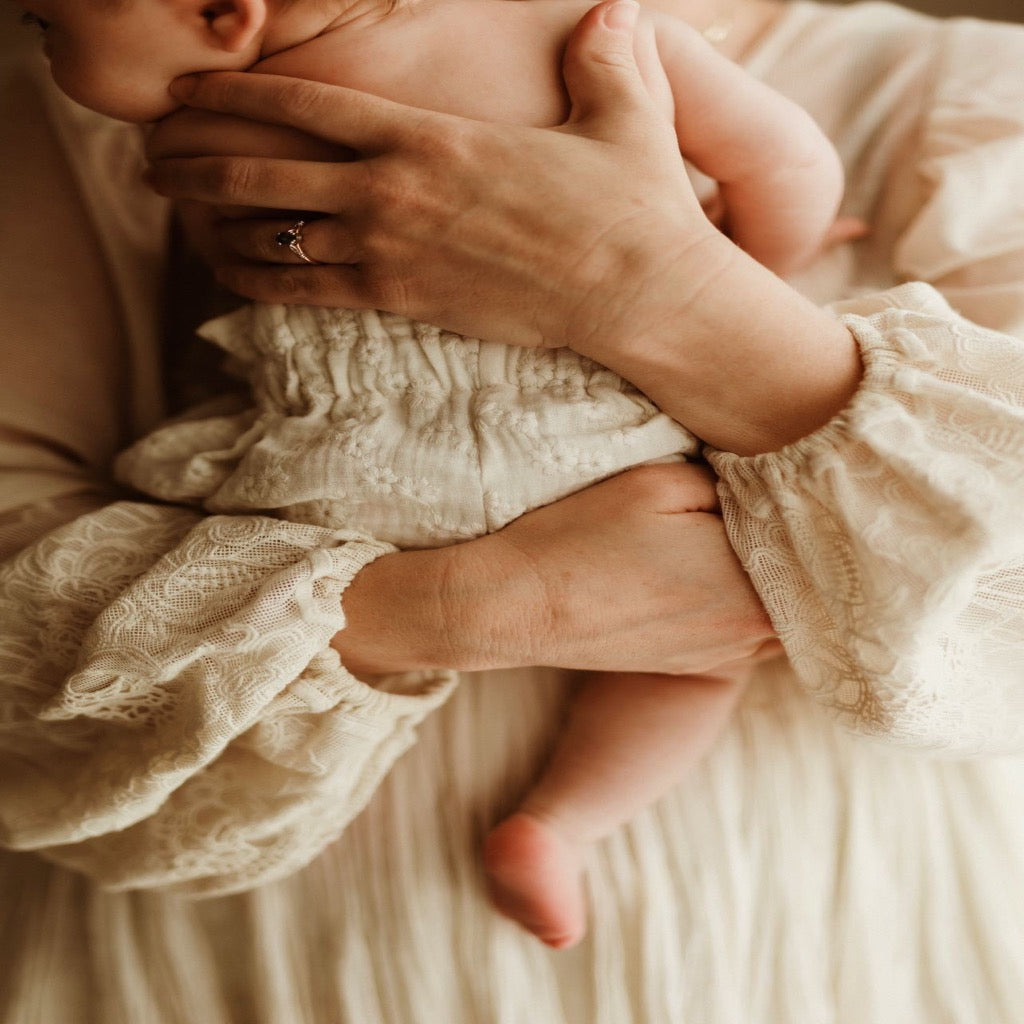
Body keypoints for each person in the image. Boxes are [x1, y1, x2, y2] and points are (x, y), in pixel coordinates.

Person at [1, 0, 1024, 1022]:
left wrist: (657, 284)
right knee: (703, 655)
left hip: (797, 938)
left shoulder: (962, 95)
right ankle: (562, 822)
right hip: (303, 948)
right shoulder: (75, 123)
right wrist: (463, 605)